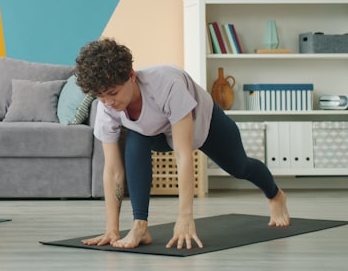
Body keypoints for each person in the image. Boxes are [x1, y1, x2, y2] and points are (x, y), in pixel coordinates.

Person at [74, 38, 289, 250]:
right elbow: (112, 170)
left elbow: (183, 155)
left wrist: (185, 217)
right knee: (135, 137)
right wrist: (112, 229)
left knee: (241, 167)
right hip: (156, 134)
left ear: (131, 76)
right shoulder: (107, 108)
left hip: (205, 127)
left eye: (113, 93)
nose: (109, 102)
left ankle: (275, 194)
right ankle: (140, 226)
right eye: (101, 97)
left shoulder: (167, 84)